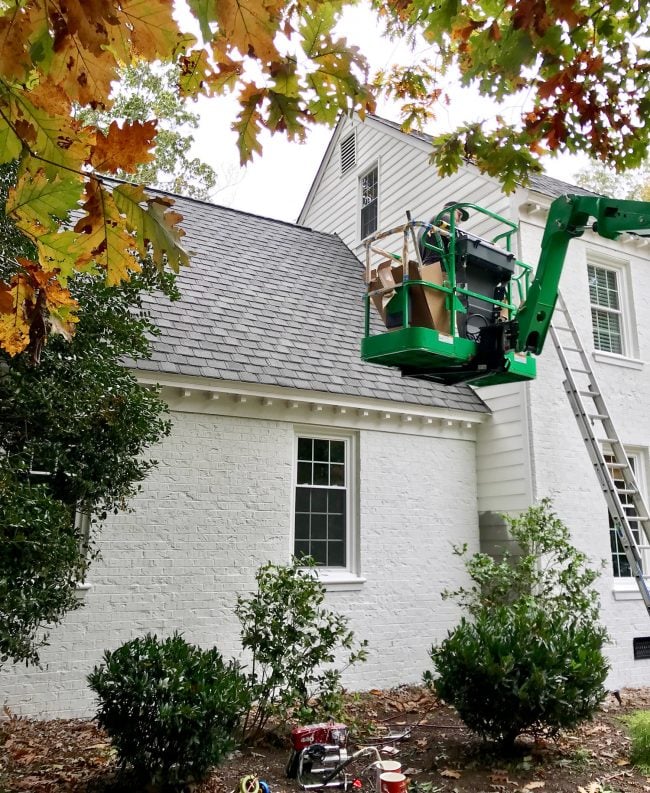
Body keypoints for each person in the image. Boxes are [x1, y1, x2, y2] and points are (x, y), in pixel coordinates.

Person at [419, 200, 469, 265]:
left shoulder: (424, 226)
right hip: (440, 265)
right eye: (459, 215)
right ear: (452, 210)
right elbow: (460, 239)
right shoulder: (446, 217)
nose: (459, 220)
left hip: (428, 266)